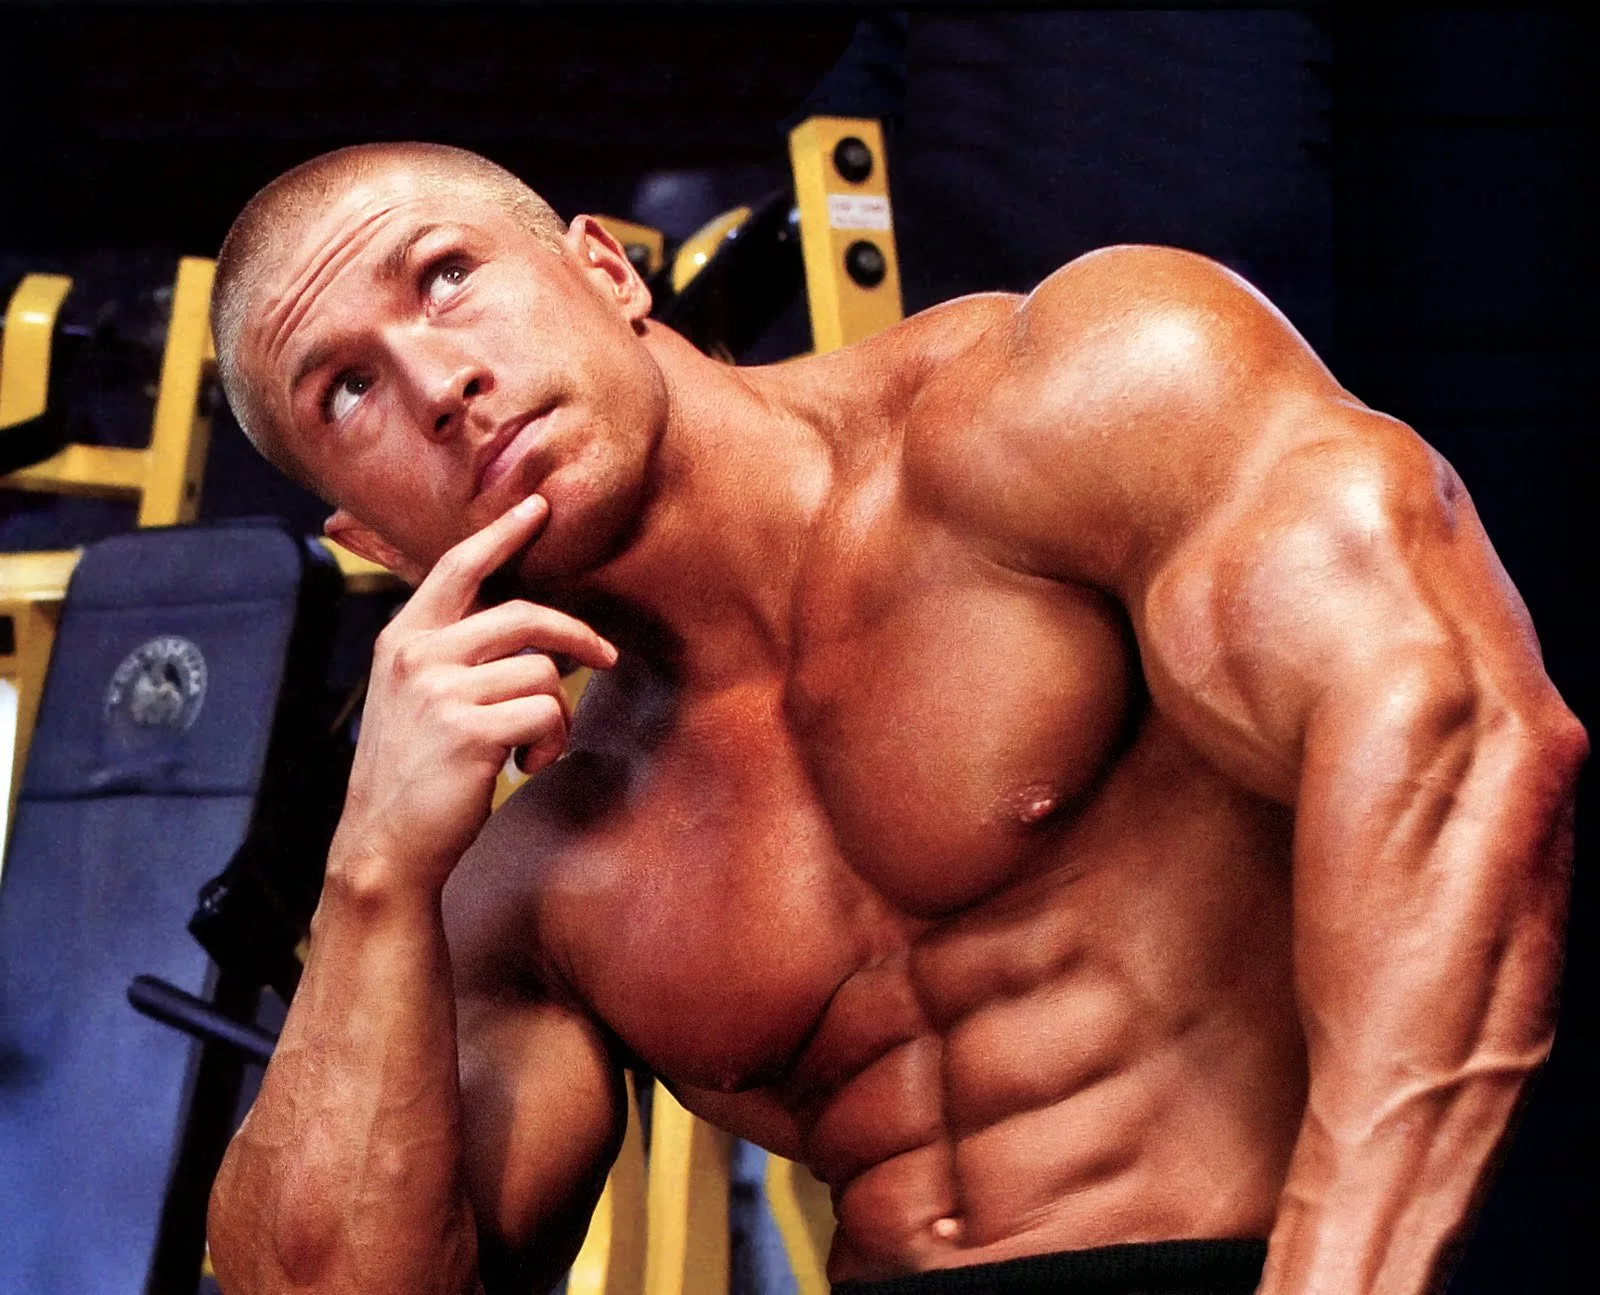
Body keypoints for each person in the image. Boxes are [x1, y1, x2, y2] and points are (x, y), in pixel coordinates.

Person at [202, 142, 1586, 1295]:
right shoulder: (535, 872)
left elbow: (1453, 734)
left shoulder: (1072, 399)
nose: (437, 384)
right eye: (347, 388)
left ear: (605, 271)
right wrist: (373, 870)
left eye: (446, 276)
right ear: (371, 541)